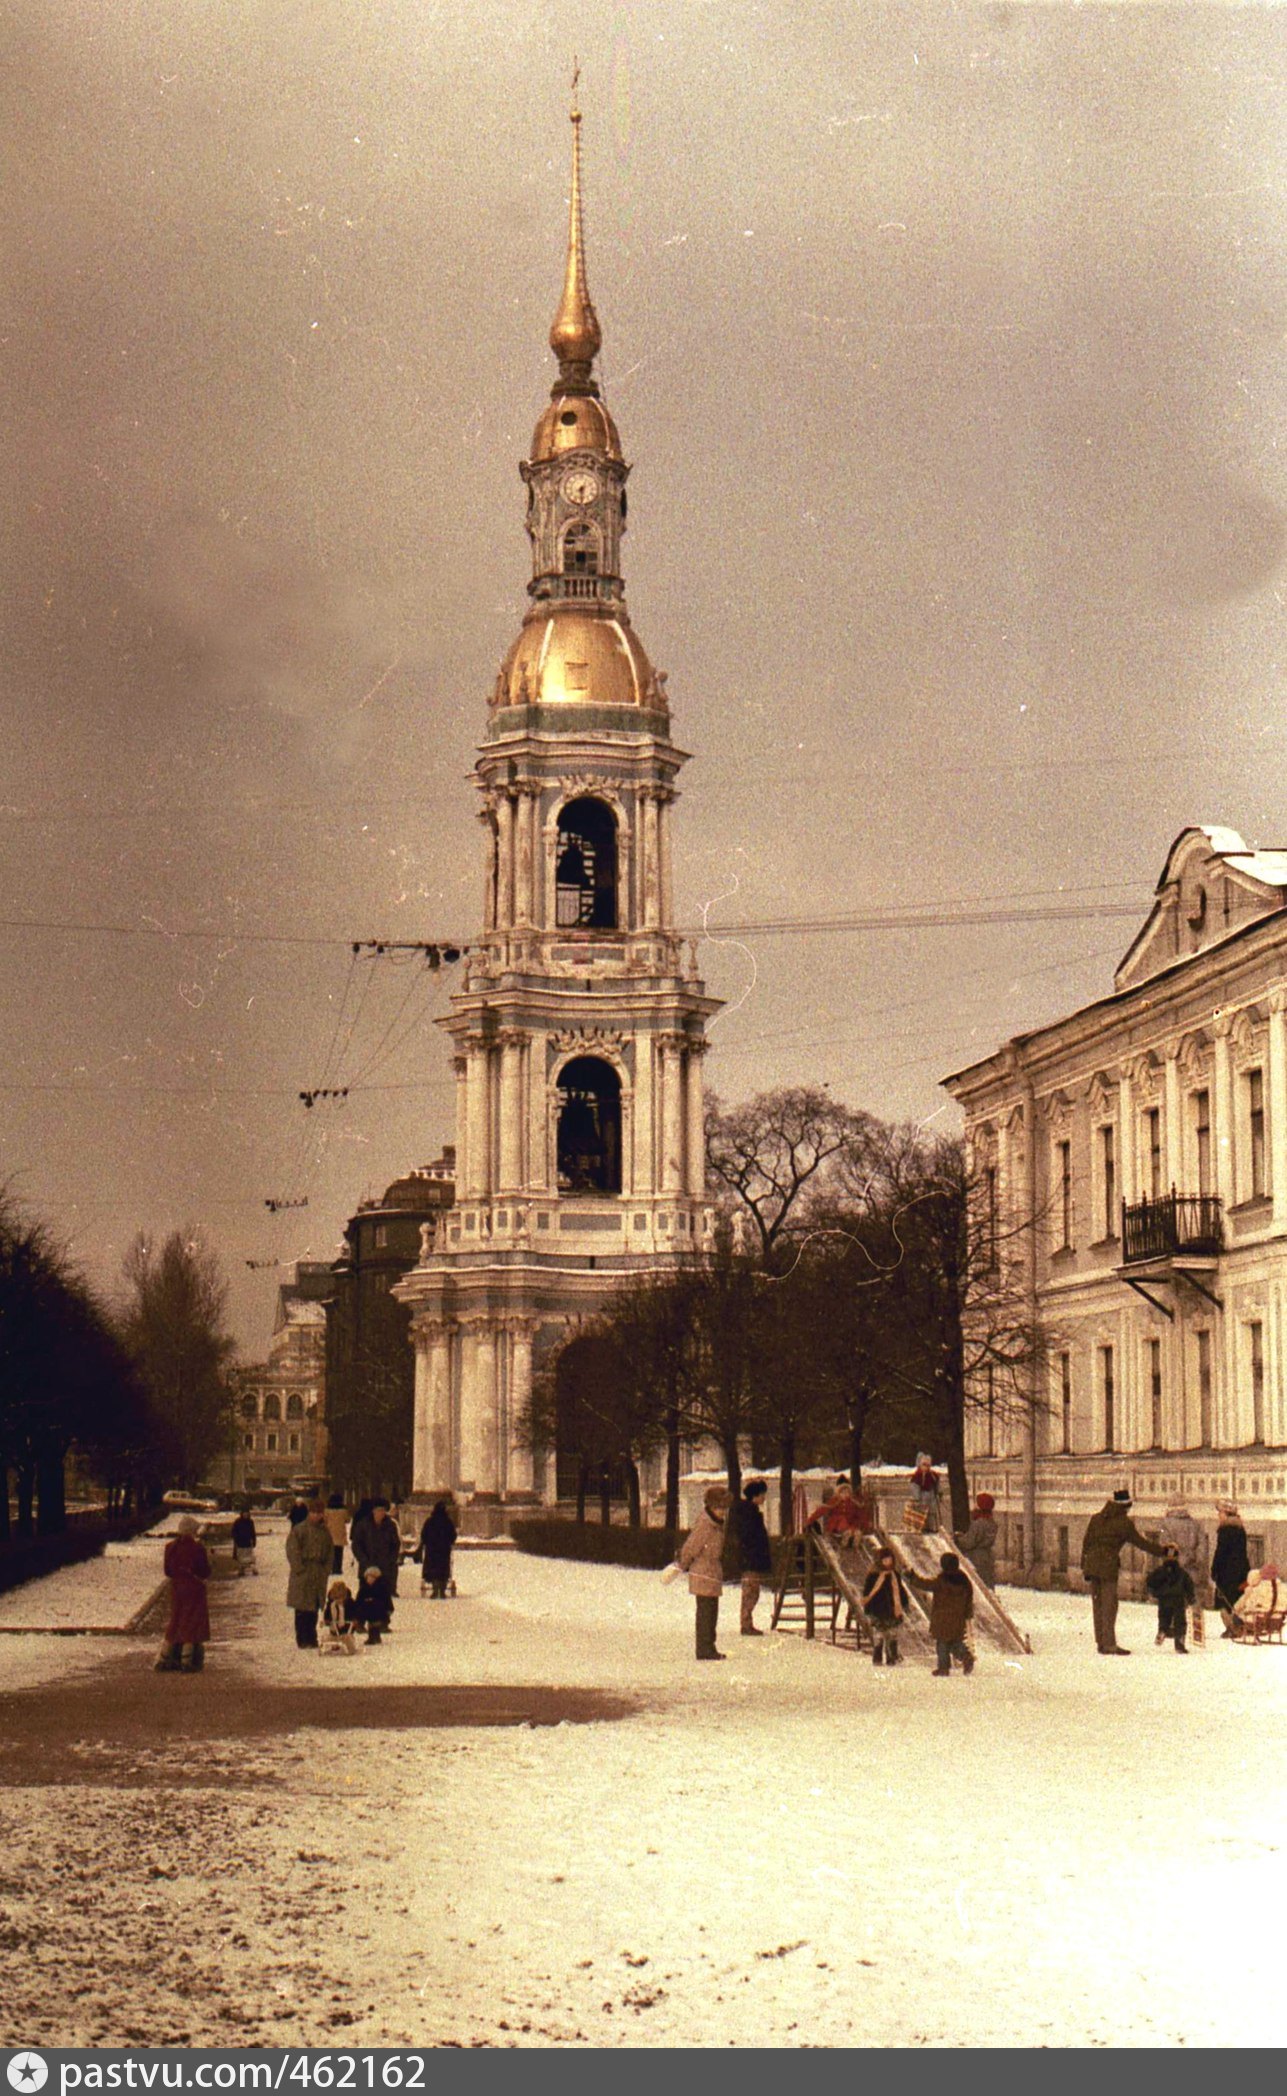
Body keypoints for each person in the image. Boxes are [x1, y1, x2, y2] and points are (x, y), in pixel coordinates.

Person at [1079, 1489, 1166, 1655]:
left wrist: (1084, 1566)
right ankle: (1110, 1644)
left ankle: (1101, 1643)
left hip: (1092, 1564)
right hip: (1107, 1566)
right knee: (1109, 1605)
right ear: (1126, 1506)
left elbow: (1086, 1542)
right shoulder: (1123, 1523)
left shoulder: (1096, 1518)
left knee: (1097, 1604)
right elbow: (1141, 1543)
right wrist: (1163, 1552)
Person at [676, 1484, 731, 1661]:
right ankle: (704, 1648)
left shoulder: (716, 1524)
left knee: (711, 1612)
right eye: (719, 1508)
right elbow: (691, 1547)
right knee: (706, 1612)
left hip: (712, 1573)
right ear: (711, 1507)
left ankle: (709, 1646)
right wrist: (681, 1565)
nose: (723, 1512)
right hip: (703, 1573)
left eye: (724, 1508)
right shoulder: (706, 1524)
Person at [155, 1515, 212, 1673]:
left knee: (176, 1620)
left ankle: (165, 1656)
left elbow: (168, 1571)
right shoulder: (197, 1548)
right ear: (191, 1530)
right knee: (191, 1622)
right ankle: (187, 1659)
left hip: (177, 1588)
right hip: (194, 1588)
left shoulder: (170, 1547)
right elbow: (204, 1571)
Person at [910, 1551, 975, 1675]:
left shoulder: (942, 1580)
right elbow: (969, 1599)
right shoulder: (965, 1580)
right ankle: (966, 1656)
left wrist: (913, 1578)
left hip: (942, 1618)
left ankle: (943, 1668)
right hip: (958, 1618)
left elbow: (926, 1584)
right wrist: (968, 1614)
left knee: (943, 1644)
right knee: (955, 1642)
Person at [286, 1497, 332, 1649]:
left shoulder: (325, 1532)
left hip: (318, 1572)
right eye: (315, 1512)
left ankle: (311, 1637)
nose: (318, 1516)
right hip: (304, 1571)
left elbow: (330, 1552)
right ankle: (302, 1638)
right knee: (302, 1607)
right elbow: (292, 1550)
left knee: (314, 1606)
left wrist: (326, 1569)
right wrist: (299, 1568)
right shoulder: (299, 1529)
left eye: (320, 1513)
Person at [1159, 1500, 1207, 1643]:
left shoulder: (1166, 1524)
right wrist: (1197, 1560)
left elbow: (1165, 1546)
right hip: (1193, 1569)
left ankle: (1176, 1632)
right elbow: (1202, 1546)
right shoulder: (1195, 1524)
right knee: (1195, 1600)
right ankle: (1198, 1632)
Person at [731, 1479, 773, 1636]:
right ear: (755, 1495)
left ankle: (747, 1622)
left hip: (749, 1558)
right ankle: (746, 1623)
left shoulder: (747, 1512)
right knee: (750, 1592)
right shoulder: (750, 1514)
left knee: (751, 1591)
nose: (764, 1498)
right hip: (751, 1559)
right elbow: (750, 1537)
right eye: (762, 1495)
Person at [861, 1546, 909, 1666]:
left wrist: (904, 1602)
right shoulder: (873, 1576)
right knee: (879, 1635)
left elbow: (900, 1589)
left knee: (892, 1634)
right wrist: (868, 1603)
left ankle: (891, 1657)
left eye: (890, 1560)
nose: (888, 1563)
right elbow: (868, 1592)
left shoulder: (894, 1575)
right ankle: (877, 1657)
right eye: (885, 1560)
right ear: (880, 1561)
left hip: (892, 1608)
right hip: (877, 1608)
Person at [1211, 1504, 1251, 1637]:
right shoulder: (1240, 1529)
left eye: (1220, 1513)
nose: (1218, 1516)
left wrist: (1214, 1569)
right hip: (1241, 1571)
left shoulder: (1225, 1530)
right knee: (1237, 1600)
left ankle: (1231, 1627)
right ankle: (1238, 1626)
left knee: (1224, 1601)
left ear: (1227, 1515)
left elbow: (1220, 1553)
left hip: (1226, 1573)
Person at [1146, 1544, 1195, 1652]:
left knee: (1164, 1617)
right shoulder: (1182, 1573)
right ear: (1177, 1557)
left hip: (1163, 1599)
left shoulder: (1159, 1571)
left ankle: (1162, 1630)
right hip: (1178, 1599)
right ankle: (1179, 1642)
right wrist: (1191, 1597)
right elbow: (1189, 1585)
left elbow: (1150, 1581)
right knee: (1180, 1621)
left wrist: (1153, 1592)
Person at [351, 1497, 402, 1596]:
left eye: (383, 1510)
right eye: (379, 1510)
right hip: (367, 1568)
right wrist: (363, 1560)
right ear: (373, 1511)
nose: (381, 1513)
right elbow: (356, 1544)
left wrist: (390, 1559)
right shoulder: (363, 1525)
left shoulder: (391, 1526)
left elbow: (395, 1545)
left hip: (386, 1569)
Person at [954, 1491, 997, 1590]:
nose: (974, 1506)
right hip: (988, 1557)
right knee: (987, 1584)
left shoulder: (978, 1524)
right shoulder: (992, 1523)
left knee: (977, 1584)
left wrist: (958, 1539)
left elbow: (969, 1542)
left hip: (976, 1558)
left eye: (976, 1503)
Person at [417, 1497, 458, 1598]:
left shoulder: (430, 1521)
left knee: (433, 1570)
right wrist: (449, 1542)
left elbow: (423, 1534)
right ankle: (442, 1590)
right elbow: (453, 1535)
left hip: (432, 1550)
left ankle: (435, 1590)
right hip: (444, 1550)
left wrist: (426, 1542)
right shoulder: (448, 1522)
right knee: (443, 1570)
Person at [1232, 1563, 1283, 1637]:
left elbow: (1249, 1606)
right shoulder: (1283, 1589)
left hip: (1257, 1621)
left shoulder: (1257, 1589)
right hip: (1276, 1621)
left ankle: (1243, 1631)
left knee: (1237, 1616)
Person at [353, 1565, 394, 1644]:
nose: (370, 1579)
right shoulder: (363, 1589)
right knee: (371, 1624)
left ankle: (376, 1636)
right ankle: (371, 1637)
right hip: (367, 1610)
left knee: (375, 1624)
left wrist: (389, 1609)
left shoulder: (382, 1588)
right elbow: (359, 1600)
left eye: (372, 1577)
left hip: (378, 1610)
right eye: (368, 1577)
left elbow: (387, 1600)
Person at [322, 1579, 358, 1656]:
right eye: (336, 1598)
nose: (338, 1600)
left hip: (347, 1629)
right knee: (329, 1638)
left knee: (347, 1639)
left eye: (340, 1598)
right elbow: (327, 1614)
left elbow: (356, 1612)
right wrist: (326, 1620)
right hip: (334, 1629)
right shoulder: (331, 1605)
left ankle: (349, 1648)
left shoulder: (350, 1603)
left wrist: (355, 1620)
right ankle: (334, 1646)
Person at [908, 1454, 942, 1533]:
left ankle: (932, 1530)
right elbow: (915, 1489)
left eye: (928, 1465)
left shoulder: (933, 1476)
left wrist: (939, 1493)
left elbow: (937, 1486)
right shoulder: (917, 1476)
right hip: (921, 1503)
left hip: (931, 1502)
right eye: (924, 1465)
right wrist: (917, 1499)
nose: (926, 1467)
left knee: (931, 1518)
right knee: (921, 1520)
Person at [324, 1493, 350, 1577]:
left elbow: (324, 1520)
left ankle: (331, 1567)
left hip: (330, 1533)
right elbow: (347, 1520)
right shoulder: (343, 1511)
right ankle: (338, 1568)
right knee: (339, 1552)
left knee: (331, 1552)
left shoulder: (327, 1511)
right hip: (340, 1534)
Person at [230, 1505, 258, 1578]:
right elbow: (234, 1532)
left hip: (248, 1542)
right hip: (240, 1542)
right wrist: (236, 1539)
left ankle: (252, 1568)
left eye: (247, 1513)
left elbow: (253, 1532)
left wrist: (254, 1540)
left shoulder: (250, 1522)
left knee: (249, 1556)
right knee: (241, 1557)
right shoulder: (238, 1522)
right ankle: (241, 1569)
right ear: (242, 1514)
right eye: (244, 1513)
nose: (245, 1515)